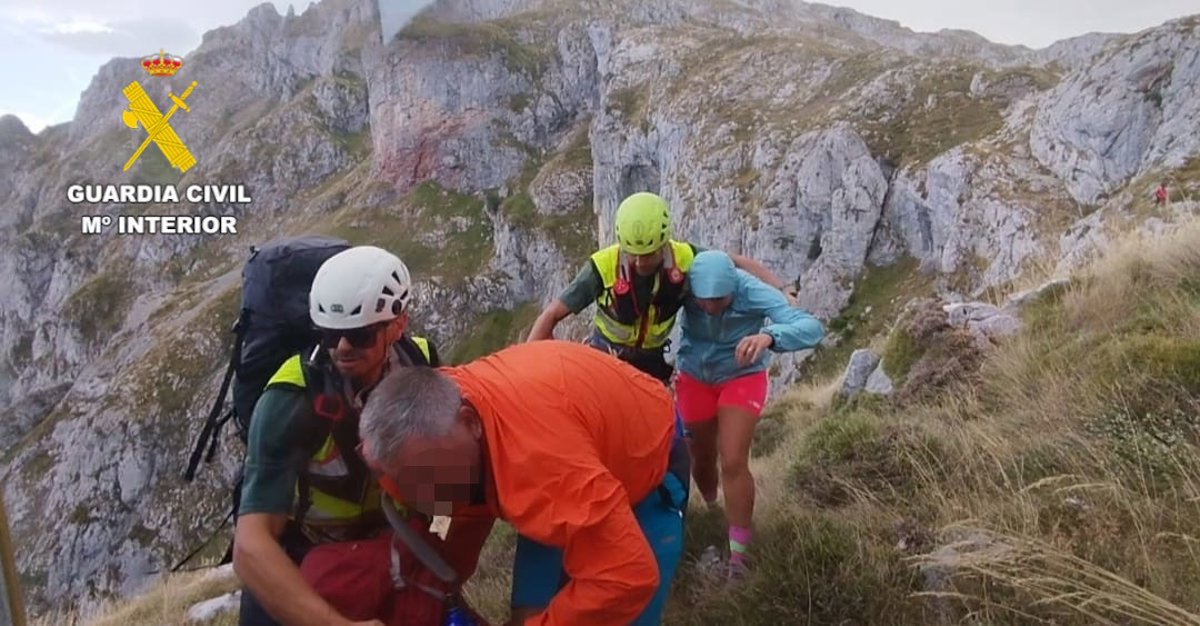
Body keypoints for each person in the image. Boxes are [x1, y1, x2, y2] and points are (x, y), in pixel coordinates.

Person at [232, 246, 490, 626]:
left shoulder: (420, 362)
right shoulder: (292, 398)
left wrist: (441, 544)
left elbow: (452, 470)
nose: (342, 347)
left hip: (398, 541)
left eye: (359, 334)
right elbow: (251, 545)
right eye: (329, 335)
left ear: (398, 325)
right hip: (309, 555)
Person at [358, 340, 692, 626]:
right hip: (567, 450)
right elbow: (460, 514)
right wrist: (440, 585)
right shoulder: (416, 438)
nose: (432, 495)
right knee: (529, 611)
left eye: (436, 473)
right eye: (414, 481)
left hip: (646, 462)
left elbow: (627, 576)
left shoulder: (539, 467)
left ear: (470, 422)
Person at [527, 191, 797, 384]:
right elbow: (552, 315)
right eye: (632, 254)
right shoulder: (602, 266)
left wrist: (782, 288)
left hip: (651, 362)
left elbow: (733, 262)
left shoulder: (686, 258)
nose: (640, 262)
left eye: (649, 254)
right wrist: (525, 368)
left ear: (665, 243)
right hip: (605, 356)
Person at [674, 250, 824, 582]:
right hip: (694, 377)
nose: (710, 307)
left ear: (733, 288)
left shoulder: (750, 290)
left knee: (733, 460)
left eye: (720, 300)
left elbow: (811, 327)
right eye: (703, 301)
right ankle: (712, 508)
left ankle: (739, 558)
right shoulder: (684, 283)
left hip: (742, 377)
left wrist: (769, 336)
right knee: (699, 457)